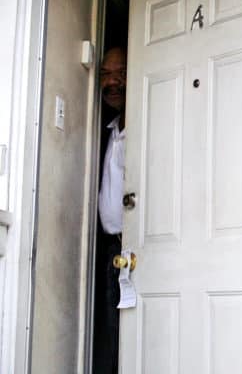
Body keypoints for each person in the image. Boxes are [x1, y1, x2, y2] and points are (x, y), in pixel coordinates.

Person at [93, 46, 127, 374]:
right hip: (111, 249)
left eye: (121, 73)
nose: (112, 82)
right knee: (112, 331)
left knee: (129, 333)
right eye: (105, 74)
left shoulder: (142, 129)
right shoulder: (110, 127)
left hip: (135, 246)